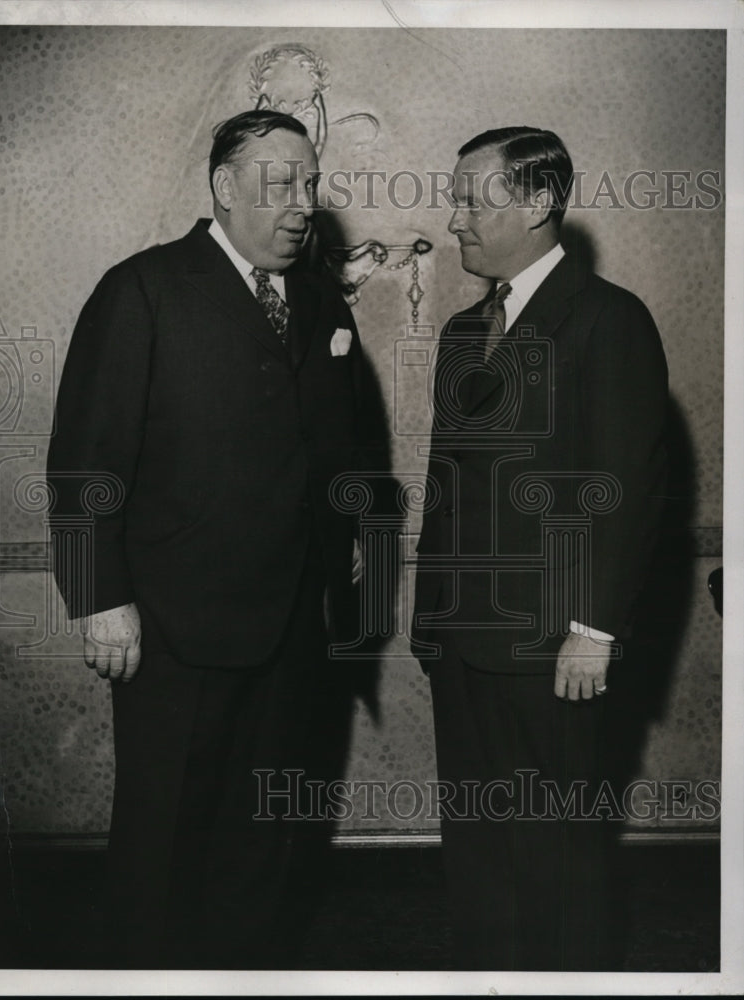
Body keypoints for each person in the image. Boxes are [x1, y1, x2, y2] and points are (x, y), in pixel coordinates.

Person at [46, 109, 364, 969]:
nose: (302, 205)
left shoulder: (320, 298)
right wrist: (99, 598)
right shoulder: (141, 289)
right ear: (224, 188)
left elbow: (335, 451)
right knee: (163, 844)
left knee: (265, 842)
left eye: (309, 183)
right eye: (279, 184)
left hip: (293, 626)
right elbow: (82, 461)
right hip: (172, 632)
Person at [412, 126, 668, 970]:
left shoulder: (608, 321)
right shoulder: (458, 331)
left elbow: (625, 485)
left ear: (536, 204)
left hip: (554, 646)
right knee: (478, 847)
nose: (453, 222)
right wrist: (430, 620)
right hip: (463, 644)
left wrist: (594, 629)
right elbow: (448, 485)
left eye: (468, 201)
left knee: (554, 853)